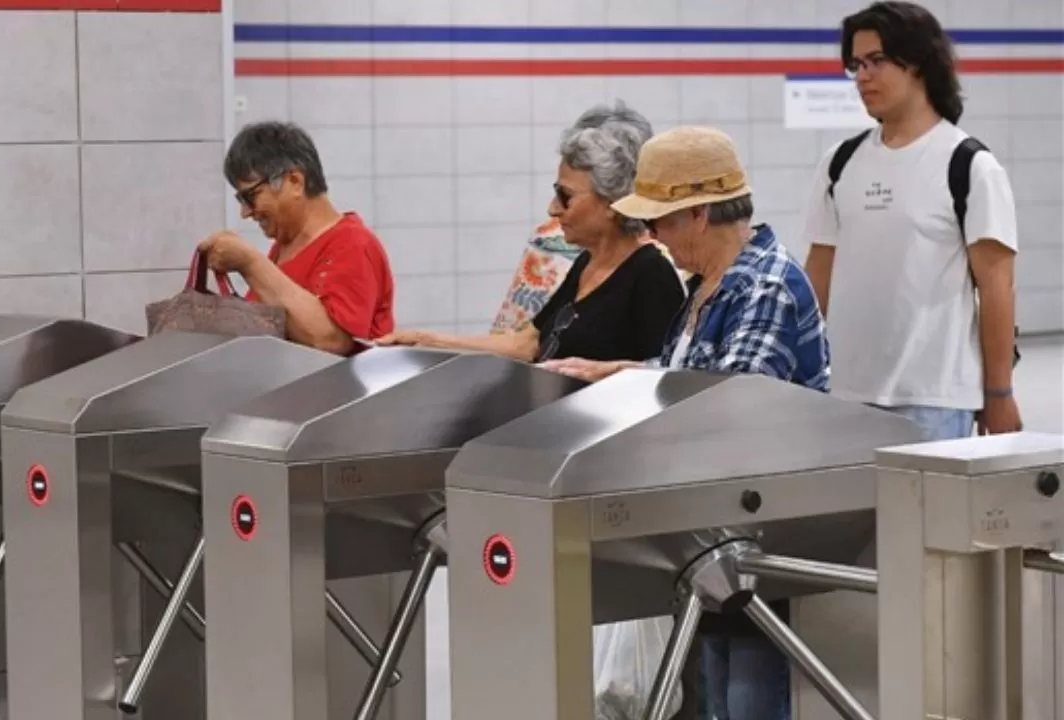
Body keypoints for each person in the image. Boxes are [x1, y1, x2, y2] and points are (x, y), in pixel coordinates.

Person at [544, 125, 830, 720]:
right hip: (716, 530)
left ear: (698, 214)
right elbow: (684, 372)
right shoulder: (707, 287)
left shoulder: (763, 286)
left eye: (661, 223)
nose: (652, 237)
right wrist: (615, 372)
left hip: (762, 535)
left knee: (750, 699)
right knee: (717, 692)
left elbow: (731, 404)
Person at [802, 1, 1021, 441]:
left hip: (934, 400)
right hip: (844, 394)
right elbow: (817, 280)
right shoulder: (839, 164)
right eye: (856, 64)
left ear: (919, 62)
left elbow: (997, 289)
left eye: (877, 60)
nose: (862, 76)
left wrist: (999, 393)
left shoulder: (969, 165)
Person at [376, 101, 685, 364]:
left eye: (566, 197)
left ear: (612, 203)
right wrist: (427, 341)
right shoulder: (586, 264)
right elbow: (528, 343)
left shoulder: (651, 274)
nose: (553, 209)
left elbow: (659, 375)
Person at [197, 121, 395, 356]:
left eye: (251, 196)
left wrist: (249, 263)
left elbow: (330, 341)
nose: (246, 212)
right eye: (241, 200)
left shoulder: (353, 244)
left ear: (295, 182)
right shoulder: (284, 248)